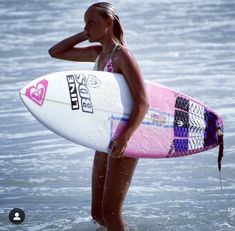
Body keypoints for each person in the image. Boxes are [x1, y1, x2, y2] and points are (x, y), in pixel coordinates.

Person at [48, 2, 149, 231]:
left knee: (112, 213)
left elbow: (143, 102)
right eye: (85, 23)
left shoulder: (122, 56)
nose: (86, 27)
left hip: (124, 138)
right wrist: (85, 33)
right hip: (104, 138)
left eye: (91, 22)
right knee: (98, 213)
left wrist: (124, 139)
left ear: (108, 23)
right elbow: (55, 52)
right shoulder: (99, 54)